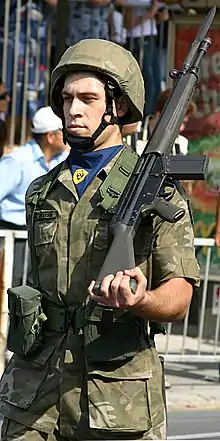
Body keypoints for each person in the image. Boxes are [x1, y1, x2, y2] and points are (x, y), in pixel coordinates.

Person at [0, 39, 199, 441]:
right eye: (67, 98)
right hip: (36, 392)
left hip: (116, 396)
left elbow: (179, 296)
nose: (73, 110)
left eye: (87, 98)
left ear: (118, 107)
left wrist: (142, 300)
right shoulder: (42, 190)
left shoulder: (157, 191)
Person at [0, 105, 69, 287]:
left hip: (39, 238)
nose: (68, 134)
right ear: (50, 136)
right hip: (12, 238)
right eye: (63, 131)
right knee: (11, 289)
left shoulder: (61, 161)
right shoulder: (17, 161)